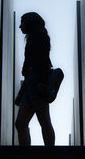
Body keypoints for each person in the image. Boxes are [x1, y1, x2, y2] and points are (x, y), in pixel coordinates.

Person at [15, 12, 55, 146]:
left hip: (37, 80)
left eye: (22, 22)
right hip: (30, 81)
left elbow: (43, 60)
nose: (20, 26)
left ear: (30, 22)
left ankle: (50, 154)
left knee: (43, 120)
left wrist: (42, 82)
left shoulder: (39, 36)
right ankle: (26, 155)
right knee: (20, 123)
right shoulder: (33, 37)